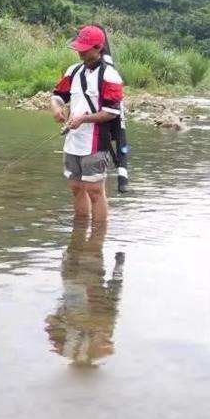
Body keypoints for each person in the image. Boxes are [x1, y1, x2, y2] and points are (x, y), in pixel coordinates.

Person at [50, 26, 124, 224]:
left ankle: (97, 242)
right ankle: (80, 230)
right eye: (78, 47)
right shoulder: (72, 71)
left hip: (97, 141)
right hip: (73, 140)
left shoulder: (110, 76)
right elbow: (58, 96)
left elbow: (111, 112)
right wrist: (56, 108)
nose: (79, 51)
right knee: (75, 187)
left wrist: (83, 119)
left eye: (85, 48)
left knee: (94, 190)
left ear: (98, 48)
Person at [45, 220, 125, 367]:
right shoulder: (66, 350)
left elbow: (51, 323)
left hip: (81, 288)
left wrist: (119, 268)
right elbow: (50, 322)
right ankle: (85, 225)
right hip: (77, 287)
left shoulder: (100, 349)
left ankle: (84, 225)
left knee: (88, 242)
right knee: (83, 242)